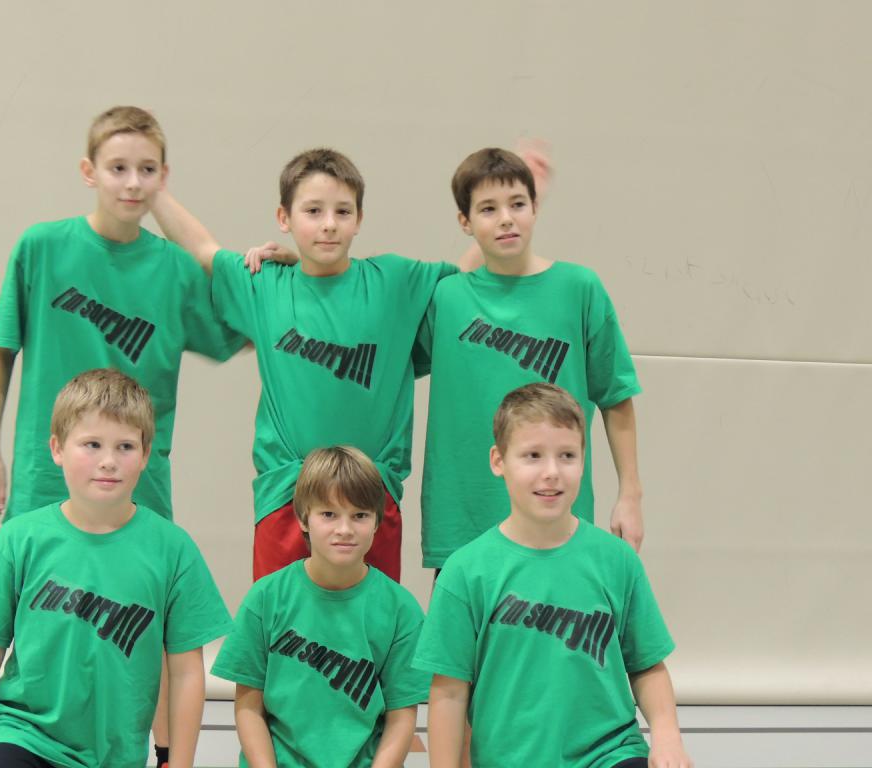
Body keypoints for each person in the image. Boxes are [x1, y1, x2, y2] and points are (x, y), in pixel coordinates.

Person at [152, 149, 457, 582]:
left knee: (371, 621)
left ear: (359, 218)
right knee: (282, 619)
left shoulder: (394, 282)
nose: (328, 223)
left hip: (370, 500)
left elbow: (465, 286)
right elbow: (204, 250)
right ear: (284, 217)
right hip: (287, 497)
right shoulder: (265, 284)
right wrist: (153, 190)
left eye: (342, 211)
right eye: (313, 211)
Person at [0, 368, 233, 768]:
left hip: (112, 756)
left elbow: (186, 673)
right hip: (22, 733)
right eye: (92, 444)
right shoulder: (21, 539)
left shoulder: (174, 552)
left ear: (145, 454)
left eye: (125, 446)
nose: (108, 461)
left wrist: (178, 762)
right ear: (57, 449)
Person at [0, 105, 243, 524]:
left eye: (147, 169)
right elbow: (0, 350)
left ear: (163, 177)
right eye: (118, 168)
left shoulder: (177, 270)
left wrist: (273, 276)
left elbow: (246, 327)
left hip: (138, 487)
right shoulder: (42, 248)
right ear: (89, 172)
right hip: (46, 476)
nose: (133, 183)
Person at [414, 383, 691, 768]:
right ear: (498, 461)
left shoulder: (617, 560)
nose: (552, 473)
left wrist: (667, 736)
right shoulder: (465, 572)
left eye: (567, 456)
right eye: (532, 456)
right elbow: (448, 693)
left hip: (608, 754)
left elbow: (647, 664)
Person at [417, 146, 643, 574]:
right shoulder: (446, 298)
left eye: (517, 204)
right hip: (464, 519)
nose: (506, 218)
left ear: (535, 208)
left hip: (555, 518)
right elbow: (382, 346)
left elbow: (616, 396)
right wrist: (299, 267)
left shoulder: (579, 288)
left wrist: (630, 496)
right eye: (488, 209)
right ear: (464, 222)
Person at [211, 446, 429, 767]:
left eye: (360, 515)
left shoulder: (402, 611)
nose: (345, 529)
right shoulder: (266, 598)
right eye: (329, 514)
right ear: (303, 519)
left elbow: (401, 716)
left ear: (376, 521)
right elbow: (248, 707)